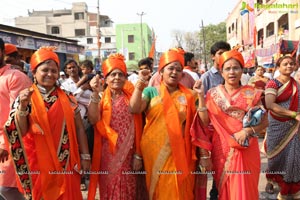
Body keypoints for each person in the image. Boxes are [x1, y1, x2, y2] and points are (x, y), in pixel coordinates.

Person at [4, 46, 91, 200]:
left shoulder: (68, 98)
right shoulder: (24, 97)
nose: (50, 74)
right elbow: (21, 132)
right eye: (45, 70)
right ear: (34, 72)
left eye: (54, 71)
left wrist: (85, 156)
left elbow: (79, 129)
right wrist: (23, 107)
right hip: (38, 164)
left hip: (66, 161)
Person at [195, 49, 268, 200]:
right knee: (225, 189)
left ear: (242, 70)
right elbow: (205, 121)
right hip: (221, 148)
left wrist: (247, 131)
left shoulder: (252, 93)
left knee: (246, 190)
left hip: (246, 147)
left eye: (236, 68)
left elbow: (264, 122)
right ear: (221, 72)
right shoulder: (212, 94)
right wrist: (201, 97)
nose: (232, 72)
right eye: (227, 68)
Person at [130, 48, 198, 200]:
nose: (174, 72)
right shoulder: (150, 92)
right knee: (158, 188)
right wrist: (140, 83)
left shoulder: (189, 95)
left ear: (183, 74)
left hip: (180, 151)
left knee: (178, 189)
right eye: (170, 68)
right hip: (153, 148)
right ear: (161, 72)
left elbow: (199, 124)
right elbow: (134, 108)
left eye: (178, 69)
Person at [87, 53, 143, 200]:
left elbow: (137, 118)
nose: (117, 78)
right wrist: (94, 93)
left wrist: (138, 154)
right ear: (106, 78)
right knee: (108, 187)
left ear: (125, 78)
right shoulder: (99, 98)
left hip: (129, 154)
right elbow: (93, 120)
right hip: (107, 152)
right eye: (113, 75)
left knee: (129, 188)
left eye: (120, 74)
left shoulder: (131, 97)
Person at [264, 55, 300, 199]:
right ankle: (271, 181)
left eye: (291, 64)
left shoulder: (296, 84)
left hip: (294, 127)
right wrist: (292, 114)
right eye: (285, 64)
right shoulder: (273, 83)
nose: (289, 66)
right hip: (277, 125)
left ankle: (292, 187)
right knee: (275, 157)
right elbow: (270, 104)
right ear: (278, 66)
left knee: (293, 157)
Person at [199, 41, 231, 200]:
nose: (223, 56)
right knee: (217, 164)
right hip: (214, 130)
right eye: (220, 53)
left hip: (232, 130)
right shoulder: (206, 77)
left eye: (226, 52)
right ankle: (215, 191)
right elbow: (202, 105)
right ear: (213, 56)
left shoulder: (233, 74)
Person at [0, 38, 30, 200]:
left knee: (7, 189)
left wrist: (4, 143)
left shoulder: (15, 76)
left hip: (11, 143)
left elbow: (16, 114)